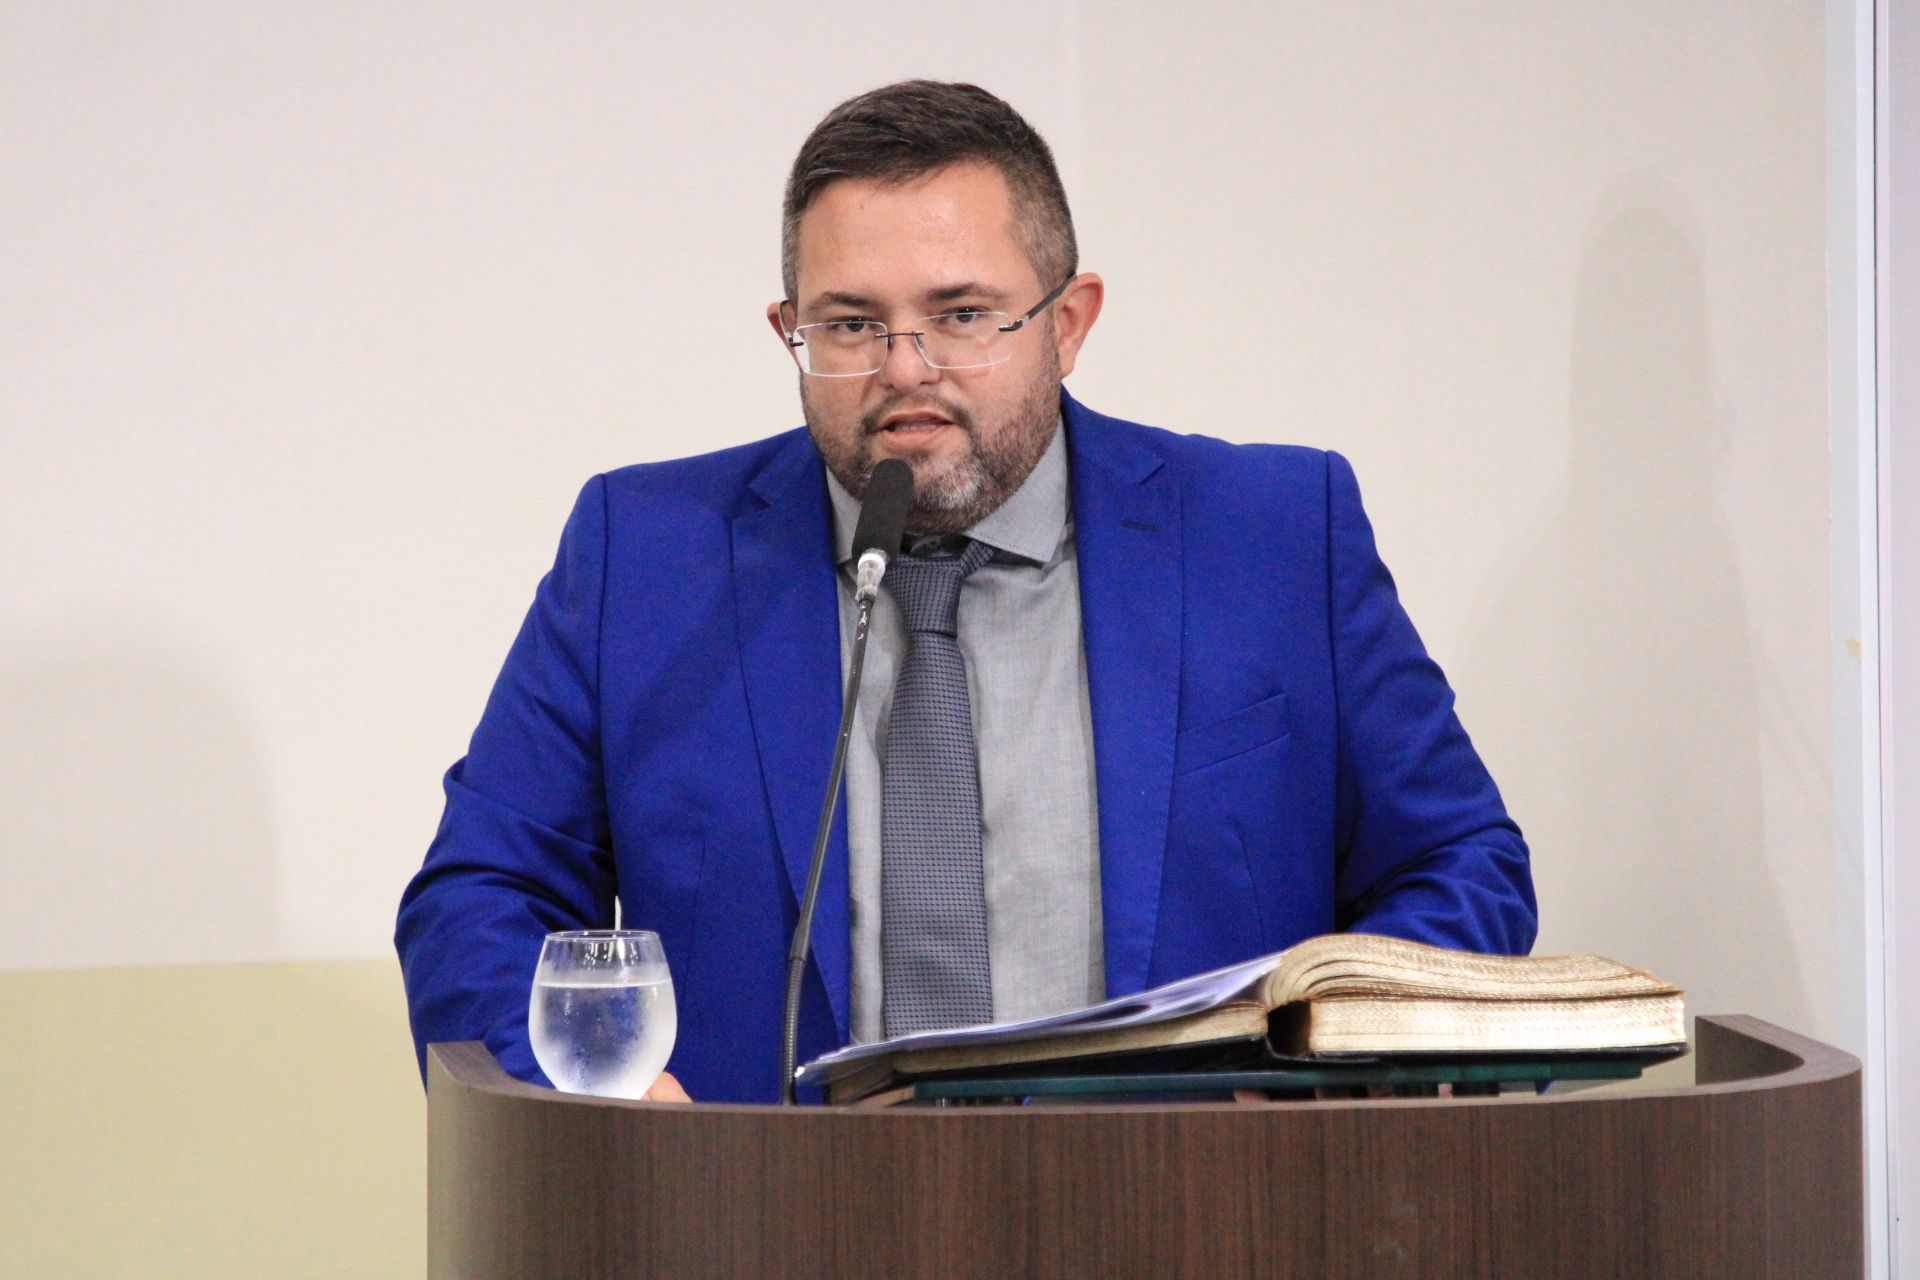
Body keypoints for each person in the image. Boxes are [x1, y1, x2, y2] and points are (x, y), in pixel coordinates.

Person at [395, 80, 1536, 1104]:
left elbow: (1460, 865)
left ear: (1068, 323)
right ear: (789, 332)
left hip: (1192, 1209)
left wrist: (1333, 1065)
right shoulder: (645, 556)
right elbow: (477, 898)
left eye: (961, 315)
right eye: (851, 324)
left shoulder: (1273, 534)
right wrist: (598, 1104)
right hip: (760, 1217)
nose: (904, 368)